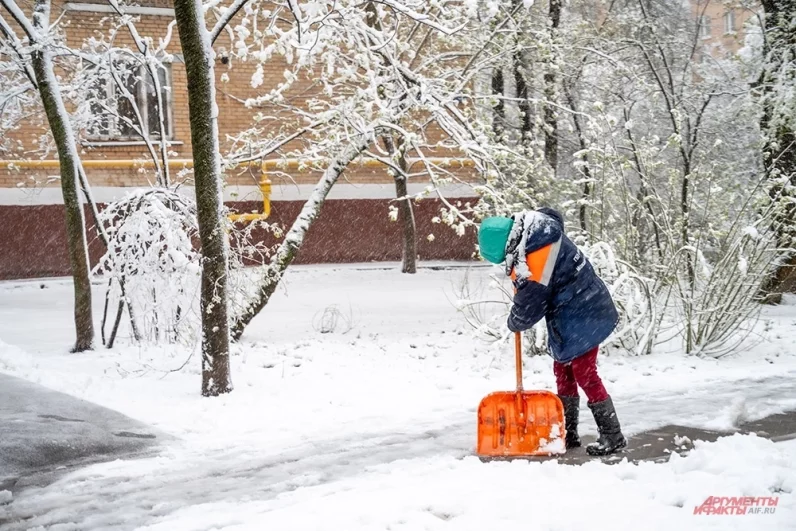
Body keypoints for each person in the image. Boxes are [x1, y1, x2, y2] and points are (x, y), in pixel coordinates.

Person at [478, 208, 626, 455]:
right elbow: (551, 214)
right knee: (563, 369)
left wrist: (515, 321)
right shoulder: (534, 229)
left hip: (586, 311)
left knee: (584, 372)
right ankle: (567, 432)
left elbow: (529, 307)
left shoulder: (536, 260)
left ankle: (613, 434)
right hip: (571, 311)